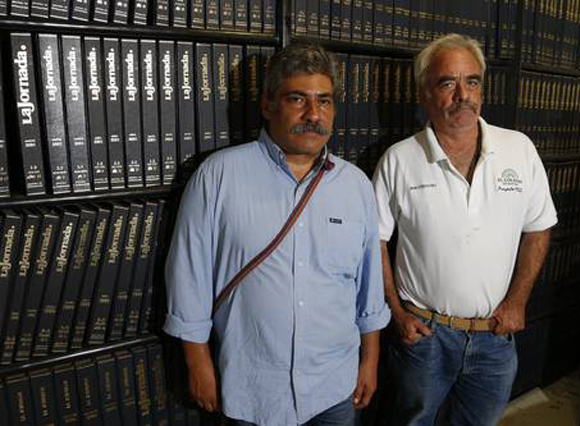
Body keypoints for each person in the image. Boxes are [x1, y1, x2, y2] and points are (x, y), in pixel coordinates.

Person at [163, 42, 390, 426]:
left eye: (324, 101)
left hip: (335, 385)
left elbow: (367, 286)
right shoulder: (218, 176)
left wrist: (370, 360)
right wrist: (198, 363)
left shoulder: (355, 185)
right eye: (297, 99)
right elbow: (188, 275)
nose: (313, 114)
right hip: (252, 387)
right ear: (268, 105)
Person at [372, 33, 558, 426]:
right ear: (424, 94)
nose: (463, 95)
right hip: (425, 338)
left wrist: (518, 300)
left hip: (495, 338)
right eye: (448, 83)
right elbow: (374, 242)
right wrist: (395, 312)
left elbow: (538, 228)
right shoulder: (399, 160)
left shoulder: (519, 149)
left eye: (472, 81)